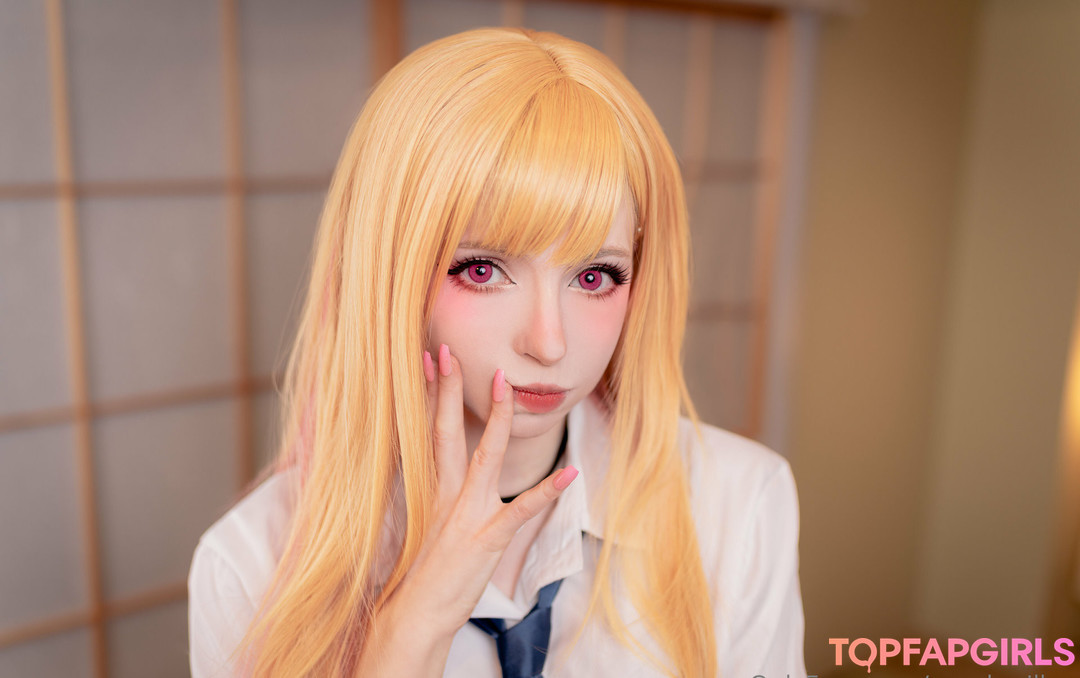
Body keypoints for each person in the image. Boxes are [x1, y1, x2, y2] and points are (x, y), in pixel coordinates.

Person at [188, 27, 805, 678]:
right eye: (482, 270)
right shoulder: (252, 564)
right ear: (390, 274)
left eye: (594, 276)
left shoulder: (736, 504)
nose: (549, 342)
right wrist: (412, 629)